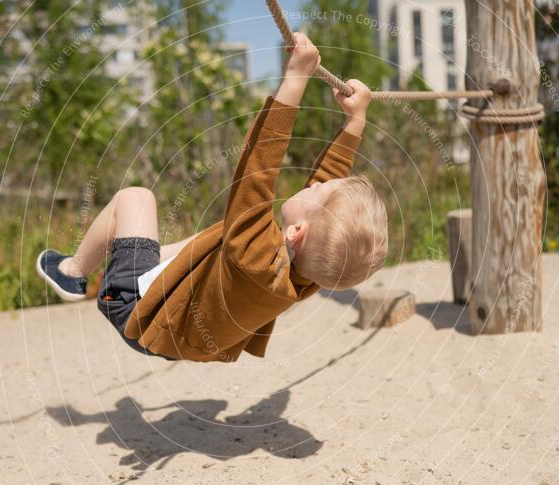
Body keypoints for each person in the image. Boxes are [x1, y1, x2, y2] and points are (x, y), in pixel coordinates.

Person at [37, 32, 388, 362]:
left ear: (297, 232)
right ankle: (149, 260)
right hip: (181, 335)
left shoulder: (255, 254)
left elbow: (258, 168)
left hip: (134, 310)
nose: (315, 182)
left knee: (136, 199)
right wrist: (355, 121)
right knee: (223, 236)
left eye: (318, 189)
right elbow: (329, 190)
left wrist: (295, 80)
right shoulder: (307, 274)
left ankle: (72, 271)